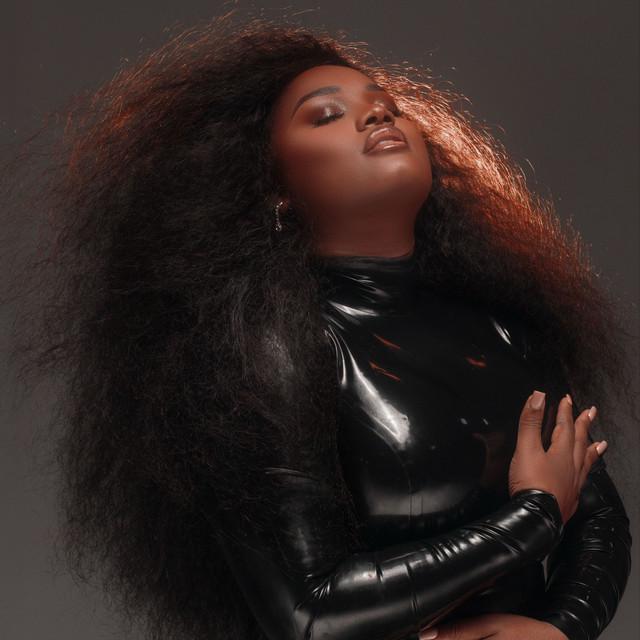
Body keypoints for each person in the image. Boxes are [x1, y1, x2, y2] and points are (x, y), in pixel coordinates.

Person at [2, 12, 633, 640]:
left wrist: (560, 630)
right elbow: (309, 616)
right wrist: (532, 518)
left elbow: (600, 522)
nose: (379, 115)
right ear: (273, 187)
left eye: (388, 105)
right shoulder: (267, 354)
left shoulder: (505, 330)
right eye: (327, 114)